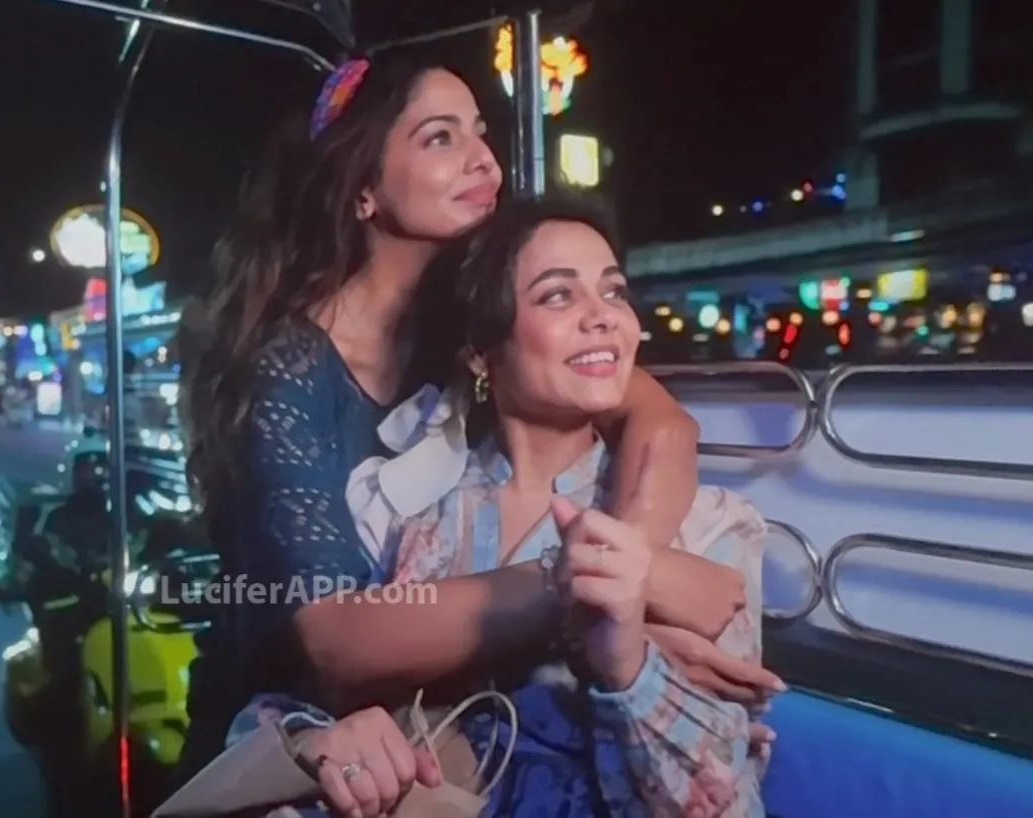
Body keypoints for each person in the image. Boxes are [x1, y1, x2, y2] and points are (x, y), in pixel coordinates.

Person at [176, 54, 775, 793]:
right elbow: (333, 641)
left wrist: (630, 586)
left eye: (480, 133)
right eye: (440, 137)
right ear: (362, 190)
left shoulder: (466, 328)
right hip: (292, 742)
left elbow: (663, 426)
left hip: (418, 741)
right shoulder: (288, 369)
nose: (484, 160)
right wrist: (588, 589)